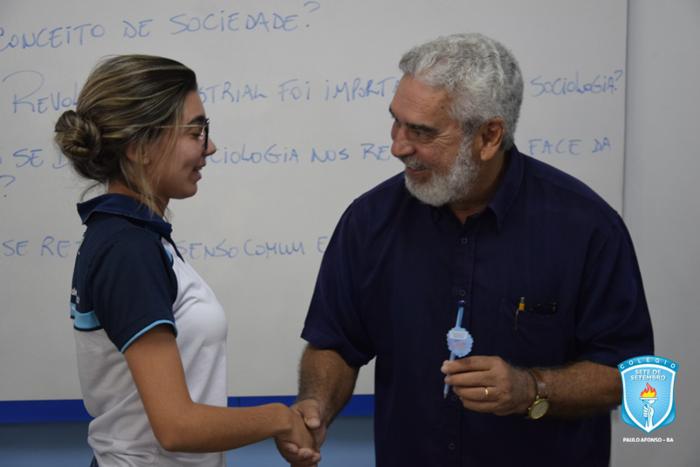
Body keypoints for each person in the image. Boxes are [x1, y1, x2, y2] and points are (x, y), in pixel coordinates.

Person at [278, 33, 654, 467]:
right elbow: (337, 344)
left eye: (422, 131)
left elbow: (632, 377)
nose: (397, 146)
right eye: (396, 122)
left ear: (489, 136)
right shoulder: (369, 221)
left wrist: (532, 388)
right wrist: (316, 405)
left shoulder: (587, 228)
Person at [54, 55, 319, 467]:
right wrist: (278, 419)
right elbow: (176, 427)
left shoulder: (136, 238)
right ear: (141, 147)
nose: (209, 147)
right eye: (196, 132)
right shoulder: (127, 249)